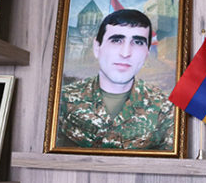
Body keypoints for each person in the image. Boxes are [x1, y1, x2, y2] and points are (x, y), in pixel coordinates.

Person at [58, 9, 174, 150]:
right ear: (97, 47)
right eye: (116, 40)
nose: (125, 53)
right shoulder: (62, 99)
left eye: (138, 42)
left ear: (147, 53)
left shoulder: (165, 108)